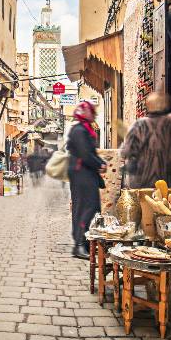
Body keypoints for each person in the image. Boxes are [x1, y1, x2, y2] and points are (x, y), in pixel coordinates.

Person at [67, 101, 106, 259]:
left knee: (92, 206)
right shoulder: (79, 130)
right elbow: (85, 153)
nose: (94, 114)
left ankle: (83, 241)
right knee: (85, 207)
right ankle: (79, 244)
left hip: (85, 173)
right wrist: (99, 163)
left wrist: (99, 162)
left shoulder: (84, 129)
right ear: (84, 113)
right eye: (91, 111)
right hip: (81, 173)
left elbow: (90, 152)